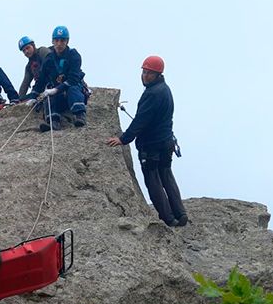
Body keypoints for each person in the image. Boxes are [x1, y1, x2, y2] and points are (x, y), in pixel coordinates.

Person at [107, 55, 188, 227]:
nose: (145, 76)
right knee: (166, 175)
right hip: (166, 142)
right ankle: (180, 214)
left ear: (158, 74)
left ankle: (169, 219)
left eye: (149, 73)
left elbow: (140, 121)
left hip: (151, 146)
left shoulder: (152, 93)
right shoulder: (165, 89)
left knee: (153, 180)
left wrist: (123, 139)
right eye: (144, 72)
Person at [31, 26, 88, 131]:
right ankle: (53, 121)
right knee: (49, 96)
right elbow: (41, 79)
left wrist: (55, 89)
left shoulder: (73, 55)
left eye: (62, 40)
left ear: (67, 41)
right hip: (59, 96)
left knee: (72, 88)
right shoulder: (49, 59)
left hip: (74, 92)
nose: (59, 44)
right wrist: (33, 96)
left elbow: (73, 79)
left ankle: (80, 116)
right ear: (52, 41)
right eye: (56, 40)